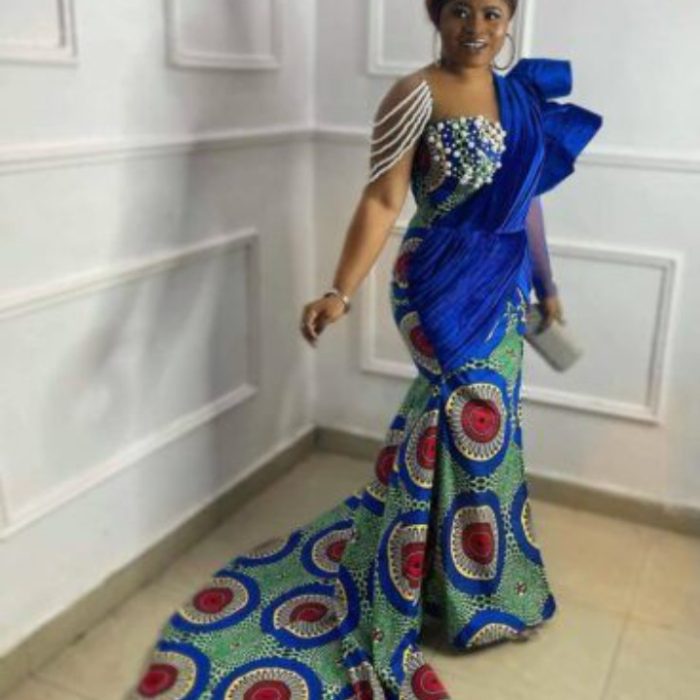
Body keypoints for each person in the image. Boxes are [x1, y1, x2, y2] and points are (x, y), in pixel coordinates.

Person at [128, 1, 603, 698]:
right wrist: (339, 291)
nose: (476, 27)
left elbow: (527, 203)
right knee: (472, 426)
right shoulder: (414, 94)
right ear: (436, 15)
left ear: (510, 20)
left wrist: (548, 286)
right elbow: (383, 200)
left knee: (490, 435)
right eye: (460, 10)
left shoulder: (522, 98)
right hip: (438, 282)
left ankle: (467, 584)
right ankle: (444, 588)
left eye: (492, 12)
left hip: (505, 285)